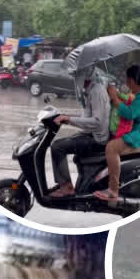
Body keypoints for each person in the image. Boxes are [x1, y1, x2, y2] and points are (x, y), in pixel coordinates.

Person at [95, 65, 140, 203]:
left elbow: (130, 113)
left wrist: (114, 98)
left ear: (132, 80)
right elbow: (128, 104)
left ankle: (113, 190)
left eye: (127, 79)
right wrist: (115, 94)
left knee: (112, 147)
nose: (126, 82)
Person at [50, 68, 110, 197]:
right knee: (59, 143)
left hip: (96, 138)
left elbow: (97, 121)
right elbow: (85, 117)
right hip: (90, 134)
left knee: (57, 147)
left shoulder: (97, 92)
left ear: (85, 76)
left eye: (77, 75)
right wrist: (66, 117)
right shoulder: (89, 91)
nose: (75, 79)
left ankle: (66, 187)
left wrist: (70, 119)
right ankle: (65, 183)